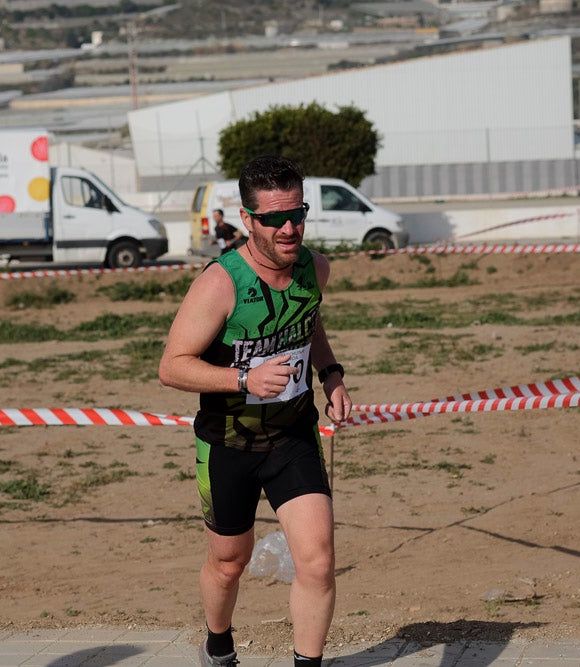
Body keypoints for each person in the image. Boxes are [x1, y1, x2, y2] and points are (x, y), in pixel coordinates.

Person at [159, 155, 351, 667]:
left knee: (317, 562)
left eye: (297, 214)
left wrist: (331, 375)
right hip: (227, 443)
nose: (289, 229)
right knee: (229, 562)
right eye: (273, 219)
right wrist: (243, 378)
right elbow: (172, 367)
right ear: (248, 220)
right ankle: (218, 645)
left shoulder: (316, 268)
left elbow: (309, 323)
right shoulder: (221, 283)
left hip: (292, 437)